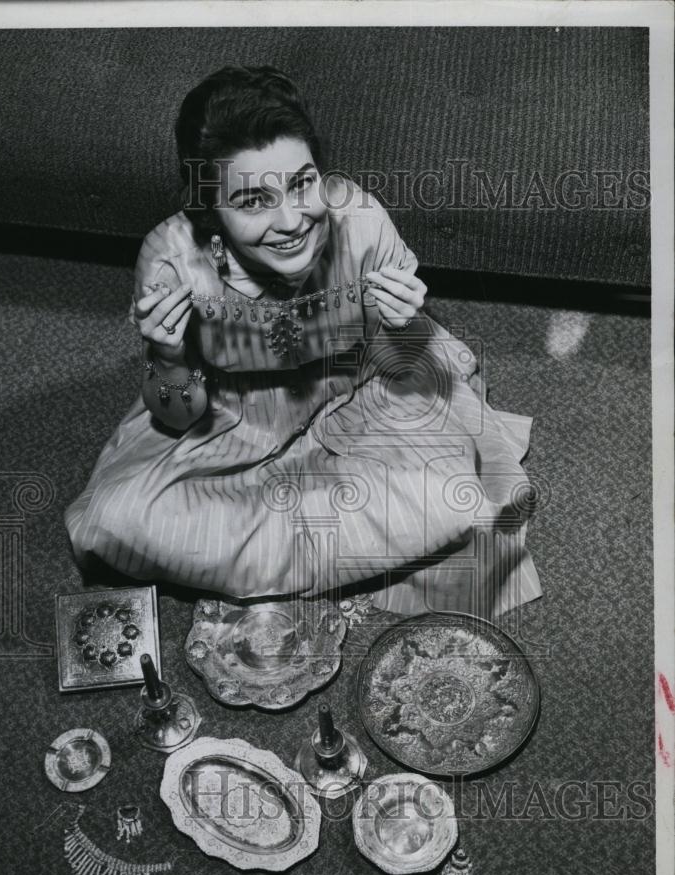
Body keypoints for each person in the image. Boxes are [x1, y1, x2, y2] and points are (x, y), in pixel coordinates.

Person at [64, 65, 542, 619]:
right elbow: (176, 416)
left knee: (450, 498)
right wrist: (170, 357)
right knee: (113, 520)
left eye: (301, 182)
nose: (292, 220)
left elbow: (404, 357)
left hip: (360, 395)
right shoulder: (171, 261)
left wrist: (402, 324)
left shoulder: (360, 219)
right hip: (229, 421)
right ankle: (324, 544)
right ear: (208, 210)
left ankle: (264, 549)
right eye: (251, 202)